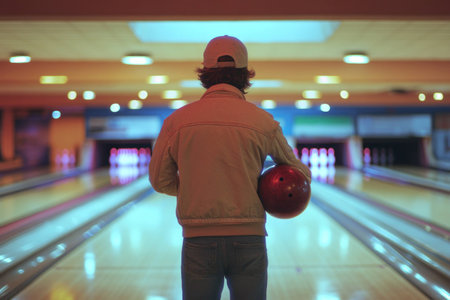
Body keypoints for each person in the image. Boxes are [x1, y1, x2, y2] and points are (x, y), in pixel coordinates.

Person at [149, 35, 311, 300]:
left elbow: (159, 181)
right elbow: (301, 174)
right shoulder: (263, 122)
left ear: (205, 73)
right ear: (245, 75)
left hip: (198, 240)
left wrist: (198, 186)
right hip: (249, 239)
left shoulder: (176, 121)